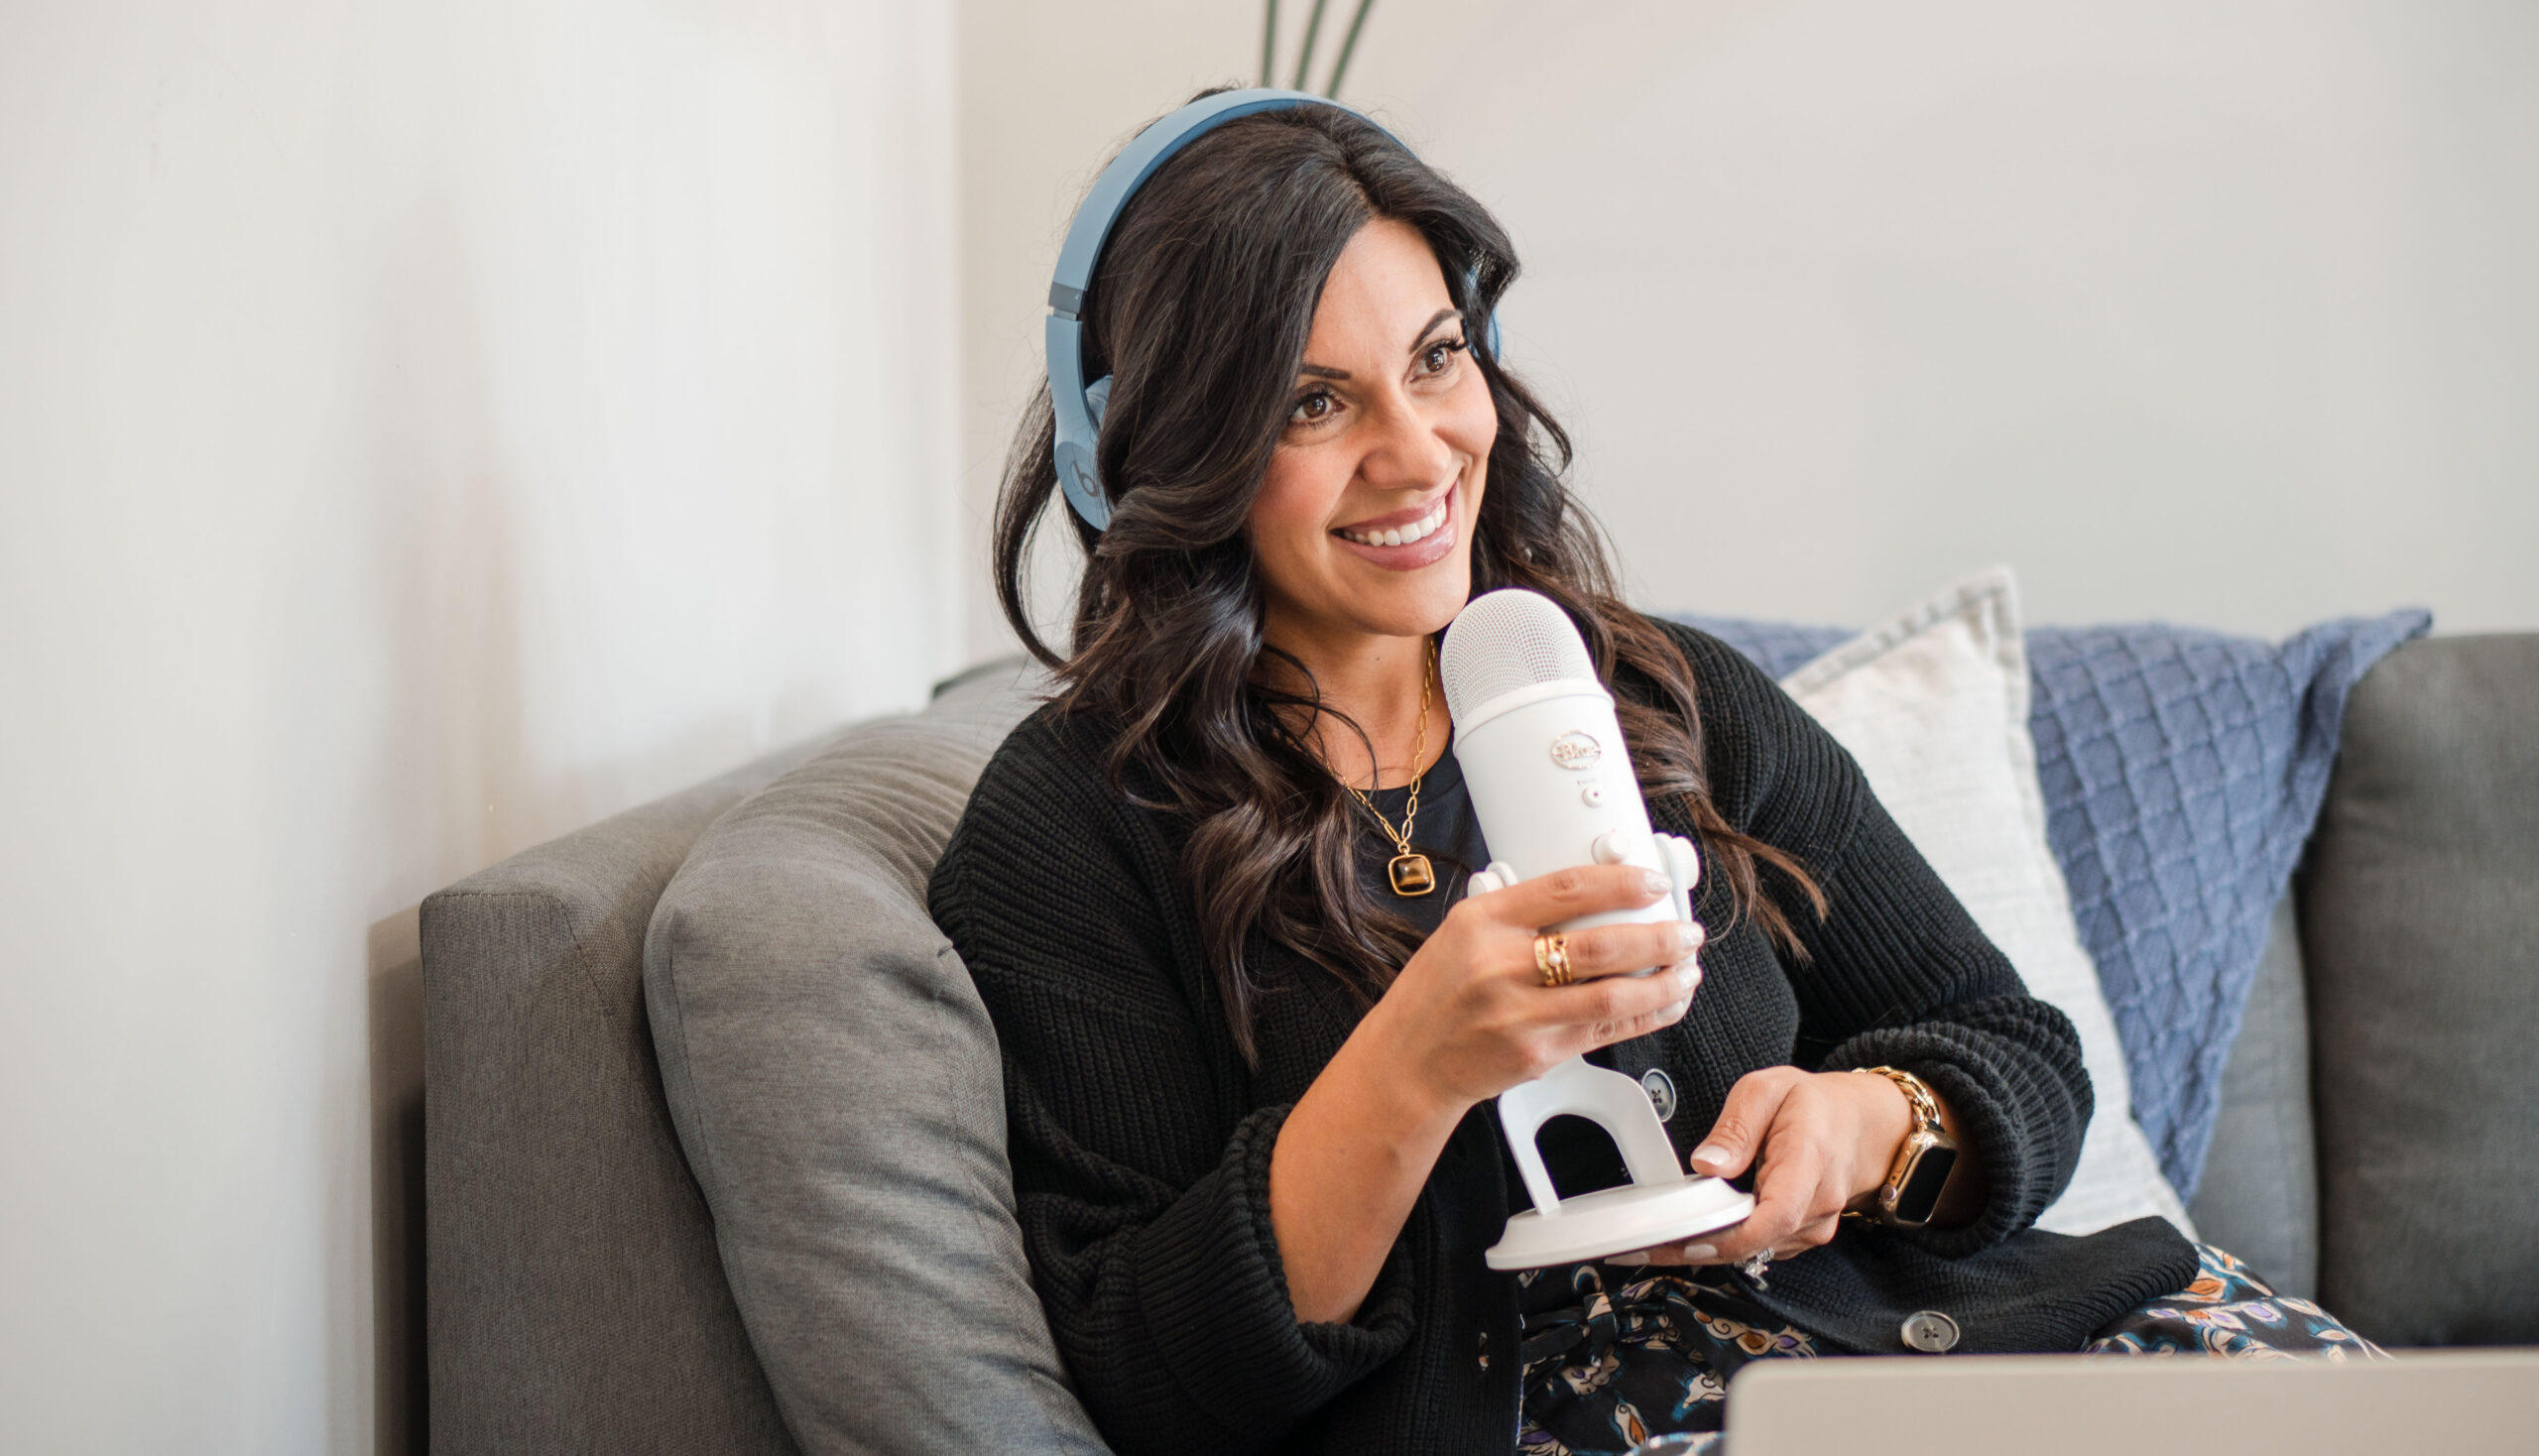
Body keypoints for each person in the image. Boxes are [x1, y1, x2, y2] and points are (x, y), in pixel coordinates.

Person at [928, 96, 2372, 1456]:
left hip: (1939, 1359)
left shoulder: (1660, 697)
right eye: (1314, 405)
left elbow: (2012, 1045)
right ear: (1161, 450)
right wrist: (1413, 1063)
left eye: (1439, 358)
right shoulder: (1072, 832)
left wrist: (1868, 1130)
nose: (1418, 451)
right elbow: (1151, 1376)